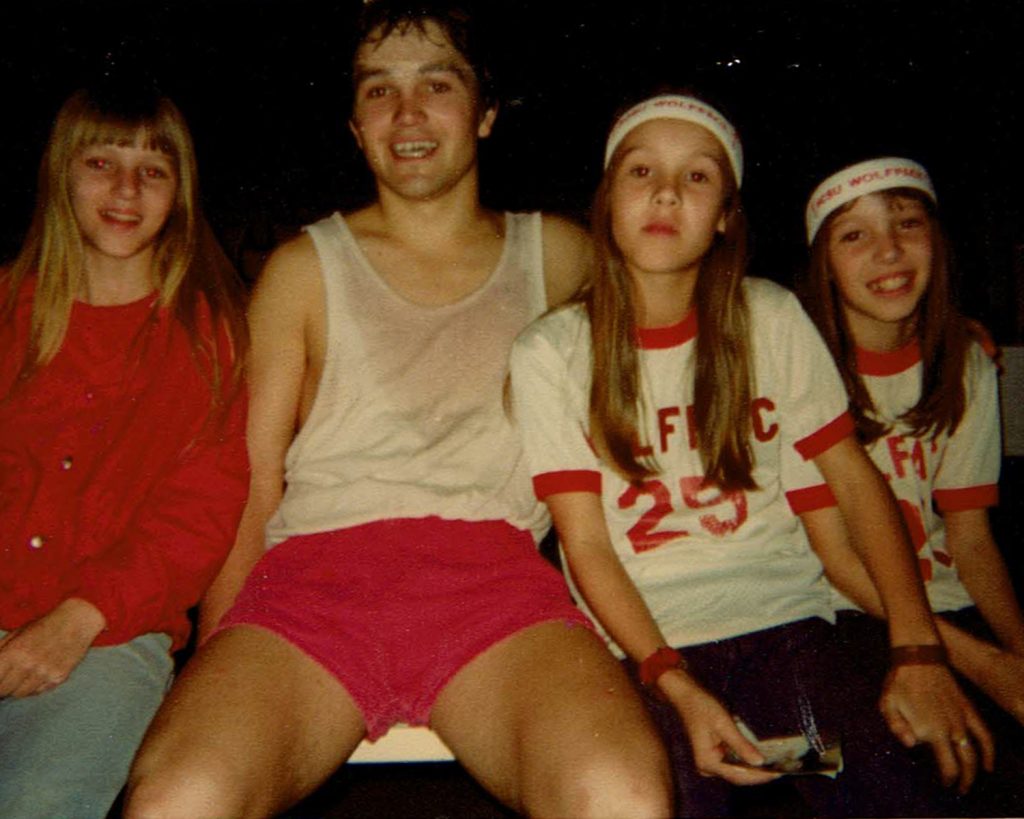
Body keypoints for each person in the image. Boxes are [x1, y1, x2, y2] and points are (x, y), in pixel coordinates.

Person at [124, 4, 670, 817]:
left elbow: (671, 382)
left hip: (498, 589)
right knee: (179, 797)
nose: (407, 113)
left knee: (622, 794)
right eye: (379, 91)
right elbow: (255, 474)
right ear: (354, 125)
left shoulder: (559, 255)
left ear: (484, 113)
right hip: (310, 588)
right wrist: (219, 649)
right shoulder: (303, 267)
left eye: (436, 84)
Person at [508, 95, 991, 816]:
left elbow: (856, 482)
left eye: (698, 177)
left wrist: (917, 650)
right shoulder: (552, 351)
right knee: (682, 797)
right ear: (608, 203)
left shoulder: (767, 317)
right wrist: (675, 680)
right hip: (645, 646)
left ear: (728, 215)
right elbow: (585, 544)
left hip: (785, 630)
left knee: (884, 785)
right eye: (642, 171)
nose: (668, 192)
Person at [0, 85, 248, 818]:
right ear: (60, 176)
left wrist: (79, 617)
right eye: (101, 162)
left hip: (108, 633)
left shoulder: (210, 339)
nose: (127, 189)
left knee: (40, 799)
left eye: (153, 169)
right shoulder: (8, 311)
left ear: (181, 192)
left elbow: (199, 513)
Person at [792, 156, 1024, 816]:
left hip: (950, 607)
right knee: (902, 768)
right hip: (850, 611)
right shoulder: (797, 369)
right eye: (854, 234)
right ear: (823, 264)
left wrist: (1018, 658)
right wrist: (984, 664)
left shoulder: (963, 362)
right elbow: (837, 563)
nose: (889, 249)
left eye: (907, 222)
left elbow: (972, 539)